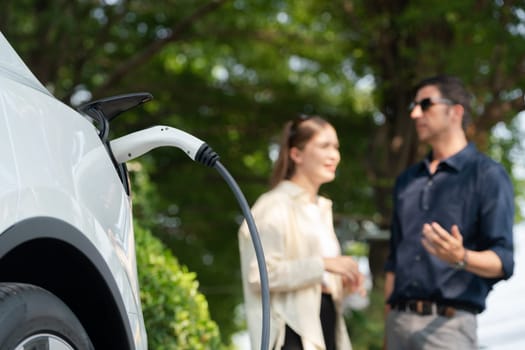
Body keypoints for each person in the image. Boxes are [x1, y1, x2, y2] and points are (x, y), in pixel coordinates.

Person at [384, 75, 515, 350]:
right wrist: (388, 330)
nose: (415, 113)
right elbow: (394, 261)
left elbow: (503, 261)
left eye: (425, 104)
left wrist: (461, 257)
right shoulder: (407, 180)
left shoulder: (488, 175)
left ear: (456, 111)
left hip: (448, 329)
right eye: (414, 105)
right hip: (397, 324)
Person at [238, 115, 365, 350]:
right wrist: (324, 264)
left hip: (324, 328)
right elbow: (259, 275)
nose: (334, 155)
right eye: (324, 146)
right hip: (290, 335)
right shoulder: (273, 205)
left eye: (336, 147)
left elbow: (317, 280)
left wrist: (345, 283)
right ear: (296, 154)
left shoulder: (322, 209)